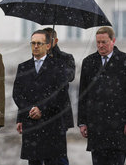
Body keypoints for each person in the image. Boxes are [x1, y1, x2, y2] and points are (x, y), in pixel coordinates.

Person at [77, 26, 126, 165]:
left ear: (113, 41)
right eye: (98, 42)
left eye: (104, 42)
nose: (100, 45)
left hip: (119, 126)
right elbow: (83, 94)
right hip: (96, 126)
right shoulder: (88, 62)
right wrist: (82, 122)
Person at [12, 29, 68, 165]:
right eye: (33, 43)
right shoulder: (23, 67)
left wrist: (41, 109)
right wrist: (28, 111)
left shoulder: (59, 66)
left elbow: (61, 94)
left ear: (48, 46)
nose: (35, 46)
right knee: (34, 161)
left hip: (52, 123)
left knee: (54, 161)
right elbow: (17, 94)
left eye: (39, 43)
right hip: (32, 124)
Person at [43, 27, 75, 165]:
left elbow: (68, 77)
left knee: (59, 155)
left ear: (55, 41)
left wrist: (52, 62)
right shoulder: (38, 58)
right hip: (40, 114)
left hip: (58, 113)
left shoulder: (66, 58)